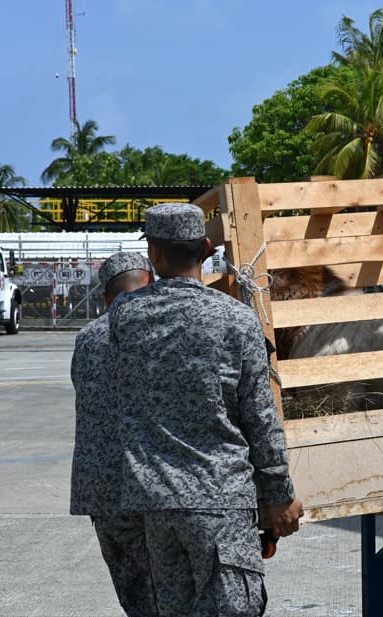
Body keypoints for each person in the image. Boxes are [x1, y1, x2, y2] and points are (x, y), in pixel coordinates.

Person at [110, 203, 303, 616]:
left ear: (155, 255)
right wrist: (279, 494)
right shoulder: (236, 319)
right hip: (221, 502)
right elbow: (259, 415)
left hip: (156, 503)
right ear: (207, 249)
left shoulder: (124, 315)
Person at [69, 251, 157, 617]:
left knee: (135, 594)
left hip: (102, 489)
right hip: (153, 485)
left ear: (106, 296)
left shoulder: (87, 338)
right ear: (151, 286)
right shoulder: (161, 329)